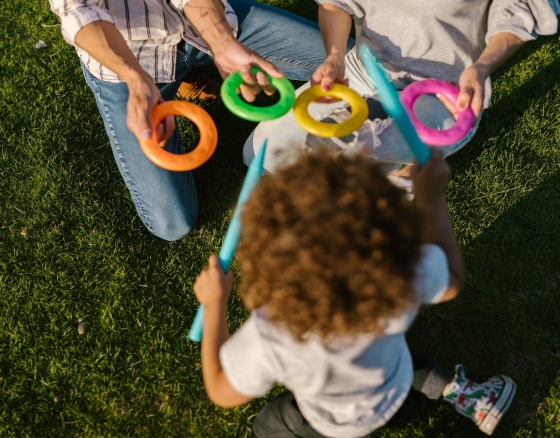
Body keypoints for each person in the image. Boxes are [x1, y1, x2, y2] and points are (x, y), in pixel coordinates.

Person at [193, 149, 517, 437]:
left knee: (268, 425)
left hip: (330, 423)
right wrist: (431, 202)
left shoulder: (274, 338)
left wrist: (214, 304)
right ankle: (469, 395)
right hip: (389, 382)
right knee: (387, 353)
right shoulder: (401, 275)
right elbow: (453, 279)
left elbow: (221, 391)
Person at [48, 0, 330, 241]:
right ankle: (171, 80)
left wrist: (222, 42)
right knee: (172, 223)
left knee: (348, 67)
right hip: (129, 61)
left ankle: (188, 69)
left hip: (200, 24)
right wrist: (136, 80)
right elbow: (78, 11)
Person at [243, 0, 560, 184]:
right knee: (259, 155)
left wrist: (481, 67)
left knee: (339, 162)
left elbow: (518, 15)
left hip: (443, 93)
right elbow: (334, 4)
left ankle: (399, 170)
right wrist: (335, 55)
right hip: (362, 72)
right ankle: (391, 166)